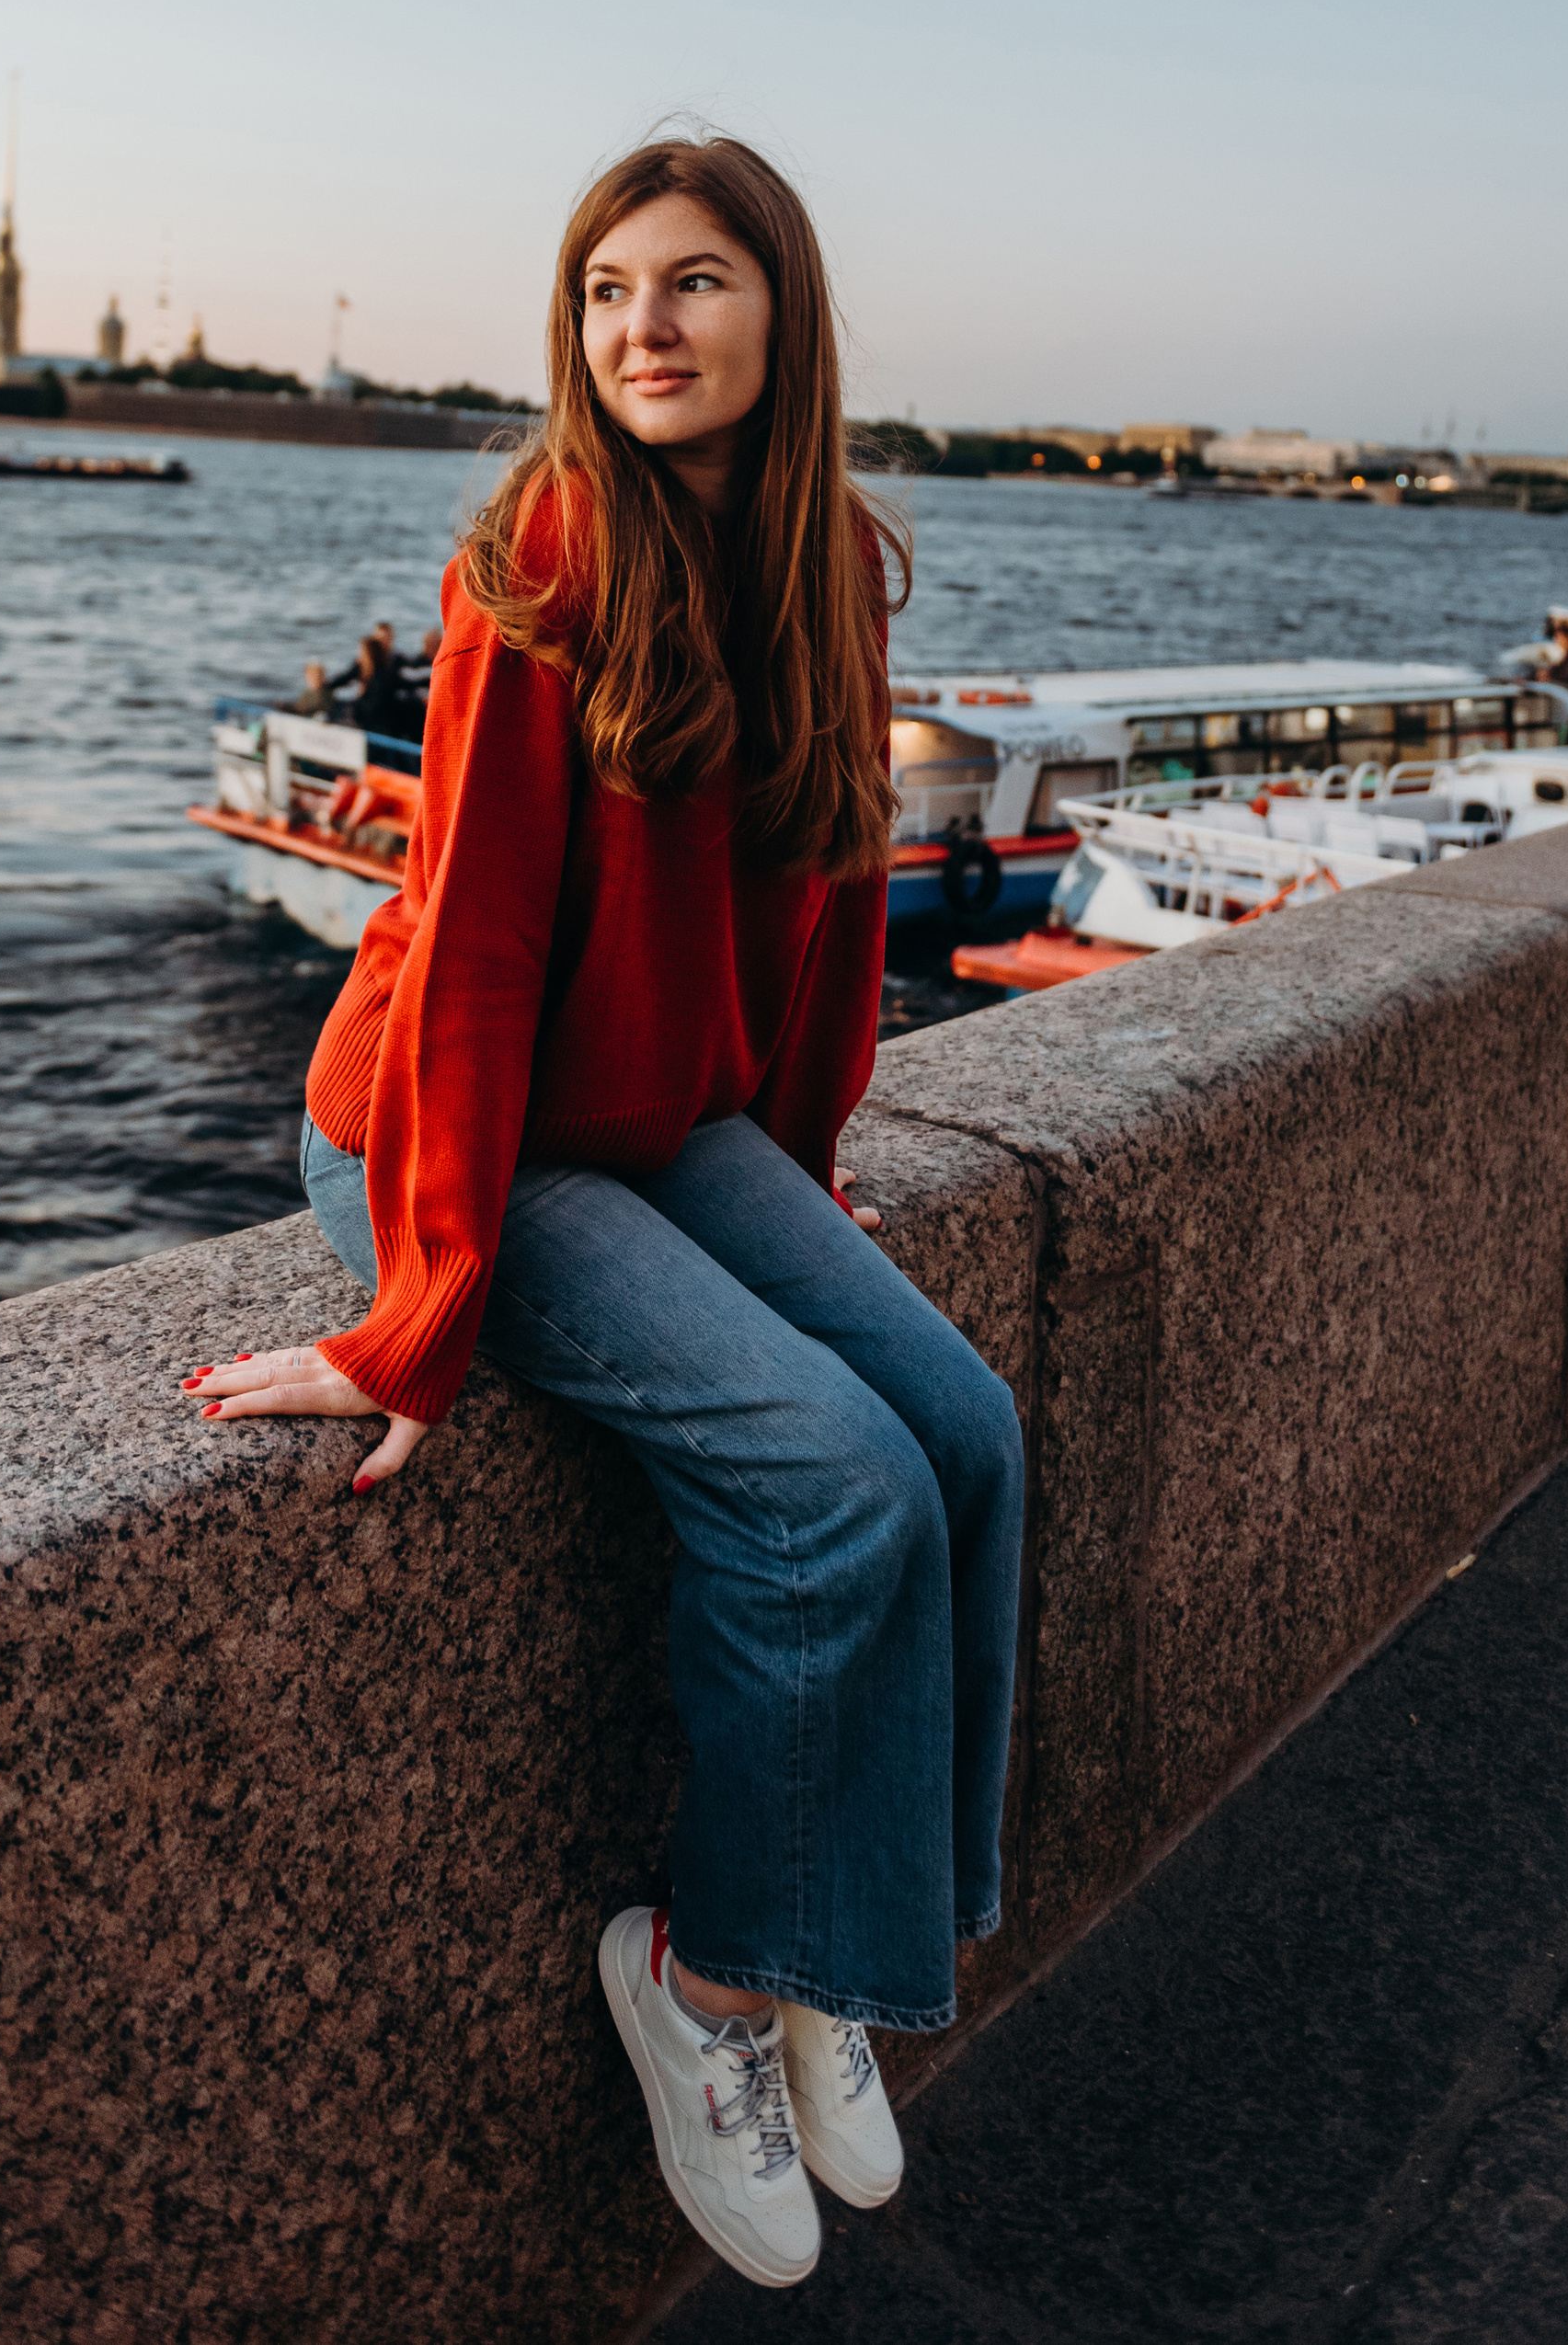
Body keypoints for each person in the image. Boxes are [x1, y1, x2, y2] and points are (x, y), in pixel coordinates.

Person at [182, 135, 1024, 2291]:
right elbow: (463, 948)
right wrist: (416, 1305)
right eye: (600, 291)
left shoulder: (821, 558)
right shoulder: (536, 561)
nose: (639, 325)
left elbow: (834, 904)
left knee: (958, 1429)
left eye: (693, 281)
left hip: (661, 1116)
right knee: (831, 1481)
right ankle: (716, 1972)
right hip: (439, 1125)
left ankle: (861, 1942)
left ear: (783, 313)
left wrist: (801, 1181)